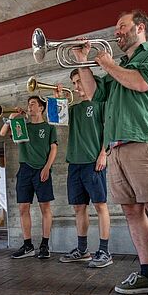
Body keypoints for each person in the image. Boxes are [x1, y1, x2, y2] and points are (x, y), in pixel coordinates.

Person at [73, 10, 148, 295]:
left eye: (121, 26)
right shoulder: (118, 65)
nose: (116, 32)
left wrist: (106, 63)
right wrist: (83, 62)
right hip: (116, 148)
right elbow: (96, 94)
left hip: (146, 142)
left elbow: (142, 83)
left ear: (140, 27)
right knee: (132, 212)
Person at [56, 69, 112, 268]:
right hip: (74, 164)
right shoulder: (75, 109)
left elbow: (109, 127)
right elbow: (57, 121)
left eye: (79, 81)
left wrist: (104, 153)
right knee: (79, 208)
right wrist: (59, 100)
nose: (76, 86)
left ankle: (104, 251)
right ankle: (82, 250)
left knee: (100, 206)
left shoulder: (101, 103)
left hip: (93, 162)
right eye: (74, 83)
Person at [0, 96, 58, 259]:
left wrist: (47, 167)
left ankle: (45, 245)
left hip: (42, 169)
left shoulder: (48, 127)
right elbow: (3, 133)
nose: (29, 107)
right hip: (25, 169)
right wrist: (12, 118)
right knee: (22, 208)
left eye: (33, 104)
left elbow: (54, 149)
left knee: (45, 207)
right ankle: (28, 246)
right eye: (28, 104)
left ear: (41, 108)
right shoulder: (22, 126)